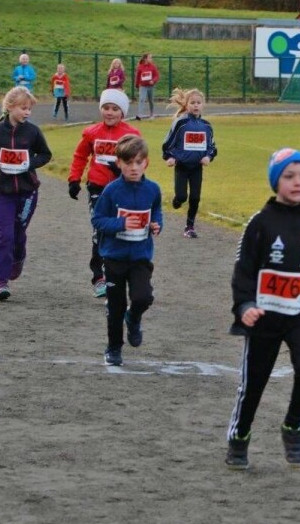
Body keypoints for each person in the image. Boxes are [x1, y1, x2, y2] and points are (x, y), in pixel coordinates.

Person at [225, 148, 300, 470]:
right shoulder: (259, 224)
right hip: (264, 316)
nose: (297, 182)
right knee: (255, 383)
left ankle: (293, 426)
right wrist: (244, 305)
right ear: (276, 181)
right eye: (289, 176)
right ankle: (239, 436)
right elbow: (243, 270)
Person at [91, 135, 163, 367]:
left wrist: (156, 224)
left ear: (146, 163)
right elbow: (98, 220)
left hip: (140, 256)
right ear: (119, 163)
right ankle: (113, 348)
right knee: (115, 307)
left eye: (138, 162)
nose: (134, 168)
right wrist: (121, 224)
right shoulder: (112, 191)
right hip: (114, 257)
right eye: (129, 163)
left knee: (143, 297)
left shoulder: (152, 189)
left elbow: (157, 211)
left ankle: (133, 318)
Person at [67, 89, 141, 298]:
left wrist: (125, 171)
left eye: (114, 109)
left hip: (123, 188)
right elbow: (80, 155)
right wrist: (74, 179)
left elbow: (142, 160)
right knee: (100, 230)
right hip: (98, 188)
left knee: (119, 231)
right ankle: (98, 277)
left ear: (122, 112)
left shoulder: (131, 135)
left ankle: (119, 274)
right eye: (106, 108)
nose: (109, 112)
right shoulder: (91, 133)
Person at [0, 87, 52, 301]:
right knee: (5, 236)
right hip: (3, 193)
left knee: (18, 235)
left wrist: (28, 163)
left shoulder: (32, 132)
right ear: (10, 107)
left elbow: (46, 154)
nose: (27, 112)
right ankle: (2, 282)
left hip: (27, 193)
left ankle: (18, 257)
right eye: (23, 108)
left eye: (29, 109)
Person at [161, 88, 217, 238]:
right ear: (186, 104)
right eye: (192, 102)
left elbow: (212, 147)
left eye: (199, 103)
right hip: (182, 167)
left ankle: (189, 226)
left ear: (203, 105)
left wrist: (208, 157)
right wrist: (169, 157)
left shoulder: (207, 126)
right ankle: (177, 200)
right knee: (182, 196)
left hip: (196, 168)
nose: (196, 105)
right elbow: (168, 142)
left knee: (195, 198)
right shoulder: (180, 123)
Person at [133, 53, 160, 120]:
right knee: (142, 99)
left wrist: (153, 81)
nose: (151, 59)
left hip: (151, 87)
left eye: (151, 58)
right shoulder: (140, 67)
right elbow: (138, 77)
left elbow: (157, 76)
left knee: (151, 100)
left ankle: (152, 114)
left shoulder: (153, 66)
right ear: (145, 59)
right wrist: (137, 85)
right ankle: (140, 114)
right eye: (150, 58)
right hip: (143, 86)